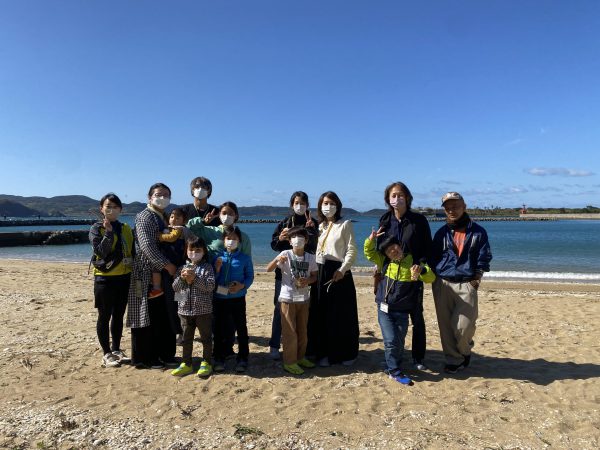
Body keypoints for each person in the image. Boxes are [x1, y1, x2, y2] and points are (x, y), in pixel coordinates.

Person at [430, 192, 492, 374]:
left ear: (464, 206)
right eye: (448, 207)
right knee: (446, 327)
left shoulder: (478, 231)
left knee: (464, 327)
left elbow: (485, 256)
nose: (452, 210)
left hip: (467, 283)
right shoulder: (441, 233)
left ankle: (465, 351)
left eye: (456, 206)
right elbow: (433, 257)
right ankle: (454, 360)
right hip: (442, 283)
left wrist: (477, 278)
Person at [364, 227, 435, 385]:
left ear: (400, 245)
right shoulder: (384, 262)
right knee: (390, 340)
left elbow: (430, 277)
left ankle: (392, 364)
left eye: (394, 246)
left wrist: (422, 270)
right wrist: (371, 240)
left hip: (402, 310)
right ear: (386, 254)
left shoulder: (414, 261)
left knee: (399, 340)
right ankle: (394, 371)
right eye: (389, 251)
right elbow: (369, 253)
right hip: (384, 309)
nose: (393, 251)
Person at [377, 182, 432, 371]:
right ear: (388, 199)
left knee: (417, 318)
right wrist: (380, 270)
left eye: (401, 195)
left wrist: (421, 266)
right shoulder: (385, 220)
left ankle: (418, 358)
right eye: (393, 195)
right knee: (390, 315)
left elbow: (427, 248)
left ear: (407, 198)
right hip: (390, 277)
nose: (397, 199)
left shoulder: (419, 220)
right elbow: (381, 248)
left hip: (413, 276)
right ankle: (392, 357)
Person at [126, 183, 178, 369]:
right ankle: (144, 358)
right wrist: (167, 265)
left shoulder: (163, 217)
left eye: (166, 195)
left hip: (161, 273)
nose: (162, 198)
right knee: (145, 313)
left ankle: (164, 354)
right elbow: (147, 247)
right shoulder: (144, 216)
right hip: (144, 273)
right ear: (150, 197)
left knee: (162, 314)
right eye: (158, 194)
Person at [306, 191, 359, 367]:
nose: (327, 206)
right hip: (320, 271)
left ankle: (345, 353)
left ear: (337, 205)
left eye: (331, 202)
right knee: (321, 313)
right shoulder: (319, 226)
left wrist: (343, 270)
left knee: (341, 314)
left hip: (338, 271)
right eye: (324, 203)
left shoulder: (345, 224)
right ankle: (323, 353)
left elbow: (351, 250)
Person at [268, 191, 318, 360]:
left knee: (302, 313)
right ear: (292, 204)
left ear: (307, 205)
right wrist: (281, 238)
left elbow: (315, 248)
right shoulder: (285, 222)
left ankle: (301, 348)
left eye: (303, 202)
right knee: (279, 310)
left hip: (304, 274)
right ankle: (274, 345)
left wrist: (312, 231)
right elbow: (274, 246)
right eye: (297, 202)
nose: (300, 205)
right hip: (284, 274)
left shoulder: (312, 223)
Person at [89, 193, 134, 368]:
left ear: (121, 210)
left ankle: (116, 349)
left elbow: (131, 252)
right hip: (104, 278)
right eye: (108, 206)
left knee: (118, 315)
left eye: (115, 207)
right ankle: (106, 353)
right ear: (102, 209)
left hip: (124, 277)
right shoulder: (96, 228)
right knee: (104, 315)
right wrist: (108, 232)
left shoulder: (125, 228)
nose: (111, 210)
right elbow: (101, 252)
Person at [171, 239, 216, 378]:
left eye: (198, 250)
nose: (194, 253)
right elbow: (175, 288)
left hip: (203, 310)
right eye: (191, 250)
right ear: (186, 251)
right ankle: (186, 363)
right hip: (184, 310)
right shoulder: (181, 268)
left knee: (206, 338)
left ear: (204, 252)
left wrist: (194, 279)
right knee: (186, 338)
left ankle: (207, 362)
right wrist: (183, 278)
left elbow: (210, 286)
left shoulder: (207, 267)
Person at [212, 227, 254, 373]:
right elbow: (212, 280)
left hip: (238, 298)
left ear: (239, 242)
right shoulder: (217, 258)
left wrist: (242, 286)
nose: (231, 241)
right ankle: (219, 357)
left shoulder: (244, 258)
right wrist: (216, 270)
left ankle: (243, 357)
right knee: (218, 329)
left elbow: (250, 276)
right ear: (223, 241)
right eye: (228, 238)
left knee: (241, 328)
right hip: (219, 298)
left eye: (234, 239)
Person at [150, 208, 197, 299]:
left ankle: (181, 307)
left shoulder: (180, 229)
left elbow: (172, 237)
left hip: (179, 263)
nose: (173, 220)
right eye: (172, 217)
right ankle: (172, 307)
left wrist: (159, 236)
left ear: (184, 221)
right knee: (169, 290)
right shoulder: (168, 228)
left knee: (180, 288)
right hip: (167, 264)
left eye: (177, 218)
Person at [187, 201, 251, 259]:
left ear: (236, 216)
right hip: (211, 270)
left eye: (230, 213)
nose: (227, 216)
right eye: (224, 213)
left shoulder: (243, 237)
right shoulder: (211, 231)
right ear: (219, 215)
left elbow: (247, 260)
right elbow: (189, 227)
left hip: (235, 271)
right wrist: (203, 221)